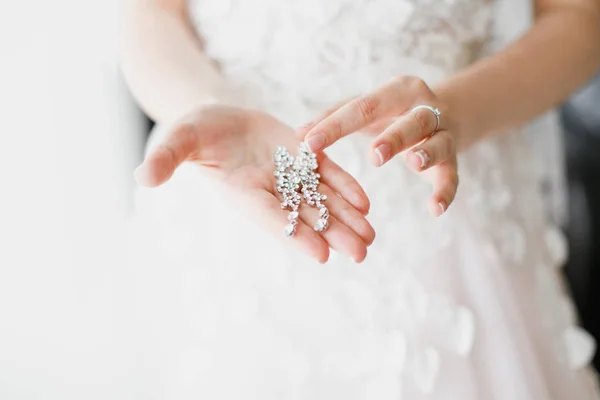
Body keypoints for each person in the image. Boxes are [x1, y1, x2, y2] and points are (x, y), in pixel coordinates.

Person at [120, 0, 600, 398]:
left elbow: (579, 20)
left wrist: (455, 111)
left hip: (442, 213)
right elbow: (150, 14)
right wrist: (204, 106)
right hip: (232, 202)